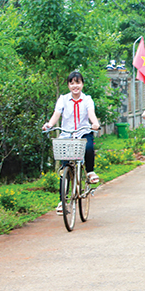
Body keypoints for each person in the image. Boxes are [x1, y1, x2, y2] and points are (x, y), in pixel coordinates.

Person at [42, 71, 101, 213]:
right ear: (68, 85)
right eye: (72, 83)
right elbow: (56, 115)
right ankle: (63, 201)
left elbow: (91, 113)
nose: (75, 86)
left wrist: (95, 123)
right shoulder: (63, 99)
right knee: (65, 169)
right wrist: (49, 124)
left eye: (78, 82)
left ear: (82, 84)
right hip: (67, 135)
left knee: (88, 147)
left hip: (83, 131)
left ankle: (90, 172)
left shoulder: (87, 99)